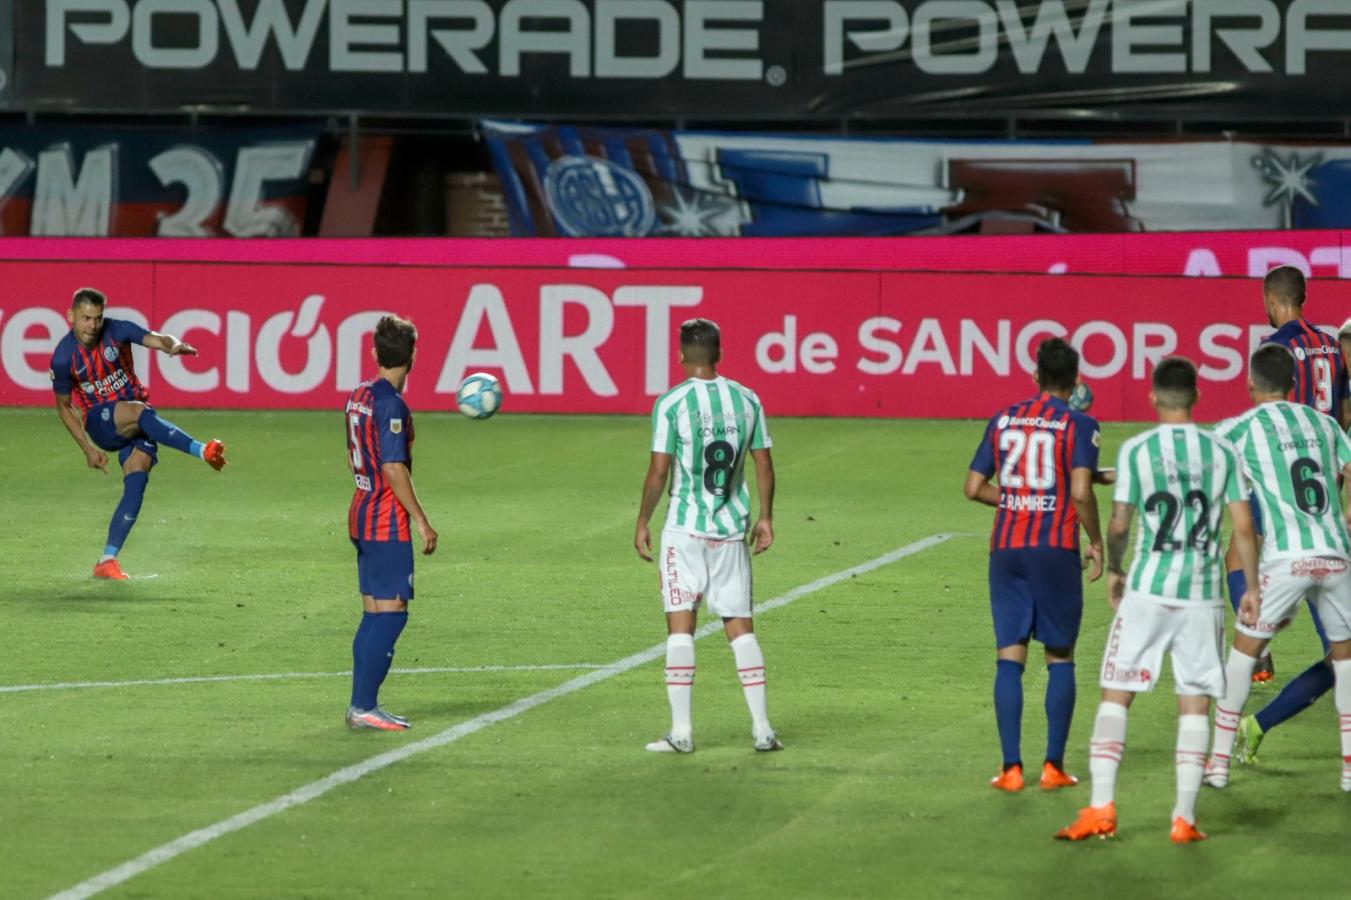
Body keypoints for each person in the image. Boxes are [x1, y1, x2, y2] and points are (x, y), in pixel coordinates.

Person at [1055, 358, 1259, 844]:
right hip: (1202, 595)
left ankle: (1101, 807)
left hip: (1147, 589)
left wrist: (1118, 572)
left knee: (1116, 695)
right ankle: (1184, 819)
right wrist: (1251, 586)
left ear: (1151, 397)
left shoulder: (1137, 450)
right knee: (1194, 704)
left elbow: (1121, 522)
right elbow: (1245, 528)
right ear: (1198, 396)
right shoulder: (1222, 450)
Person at [1204, 344, 1351, 793]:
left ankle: (1218, 763)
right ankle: (1349, 769)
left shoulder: (1238, 428)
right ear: (1294, 384)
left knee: (1245, 654)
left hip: (1286, 558)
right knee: (1346, 662)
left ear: (1250, 383)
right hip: (1336, 555)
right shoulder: (1325, 423)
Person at [965, 337, 1105, 792]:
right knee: (1060, 656)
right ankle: (1053, 767)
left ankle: (1010, 769)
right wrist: (1097, 542)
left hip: (1005, 549)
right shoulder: (1079, 425)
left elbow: (972, 487)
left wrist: (1019, 499)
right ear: (1076, 379)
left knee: (1010, 656)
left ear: (1035, 376)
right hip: (1054, 548)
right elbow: (1081, 491)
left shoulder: (1002, 418)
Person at [633, 318, 780, 754]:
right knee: (741, 627)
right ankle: (762, 729)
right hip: (731, 531)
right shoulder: (747, 399)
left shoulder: (672, 403)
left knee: (681, 627)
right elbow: (764, 464)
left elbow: (660, 469)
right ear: (719, 353)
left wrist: (642, 520)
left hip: (684, 530)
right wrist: (766, 518)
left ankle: (681, 733)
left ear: (680, 355)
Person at [1227, 269, 1344, 759]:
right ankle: (1265, 645)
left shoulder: (1276, 347)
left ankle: (1261, 646)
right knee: (1237, 551)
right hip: (1330, 472)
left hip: (1285, 475)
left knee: (1241, 548)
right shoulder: (1334, 344)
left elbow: (1276, 418)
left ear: (1272, 300)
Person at [49, 287, 227, 579]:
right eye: (85, 318)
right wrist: (88, 449)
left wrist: (173, 344)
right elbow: (65, 407)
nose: (92, 325)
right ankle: (201, 449)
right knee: (139, 411)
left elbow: (156, 338)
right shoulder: (63, 357)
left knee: (137, 479)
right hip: (101, 420)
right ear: (71, 316)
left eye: (96, 318)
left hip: (135, 421)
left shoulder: (117, 330)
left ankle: (107, 560)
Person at [343, 314, 438, 732]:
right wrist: (421, 519)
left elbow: (359, 452)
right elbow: (394, 466)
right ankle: (364, 705)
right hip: (385, 517)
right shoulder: (391, 405)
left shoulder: (360, 394)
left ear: (375, 353)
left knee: (374, 613)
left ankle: (361, 706)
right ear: (413, 357)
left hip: (361, 507)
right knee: (393, 612)